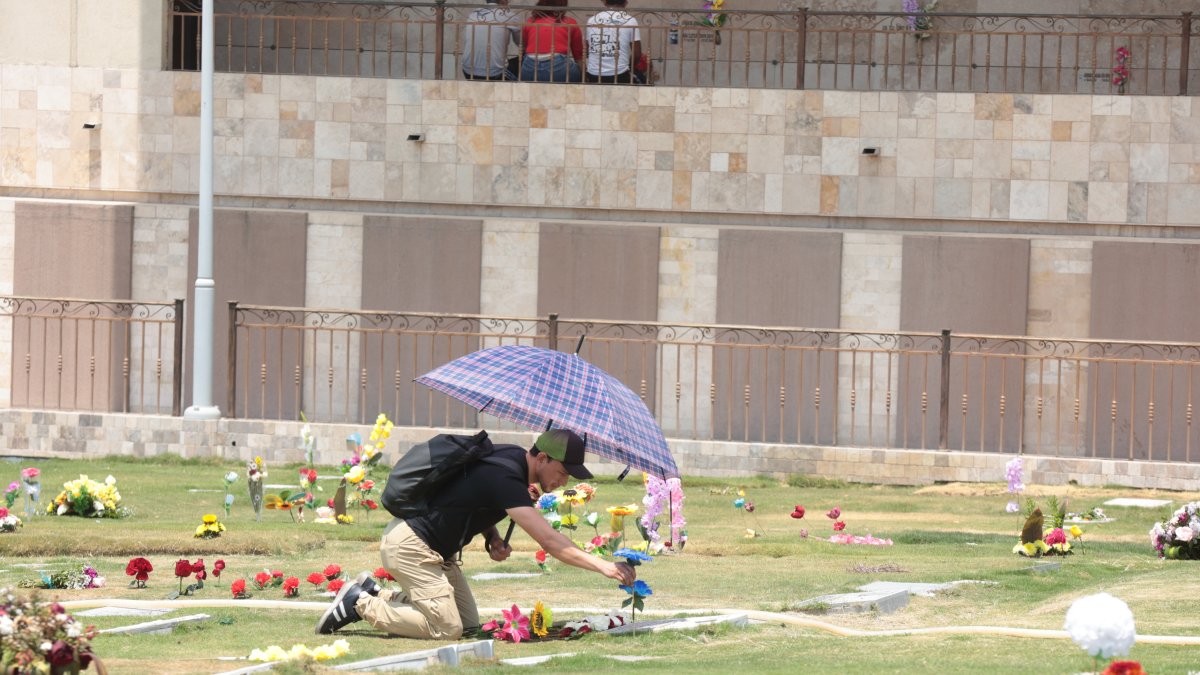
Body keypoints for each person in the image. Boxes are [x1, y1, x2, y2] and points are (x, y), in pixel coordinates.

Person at [315, 429, 636, 639]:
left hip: (434, 553)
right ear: (542, 458)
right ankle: (359, 604)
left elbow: (472, 498)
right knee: (447, 628)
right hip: (412, 547)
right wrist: (606, 567)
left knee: (468, 625)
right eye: (563, 472)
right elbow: (550, 541)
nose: (563, 482)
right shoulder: (506, 477)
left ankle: (377, 593)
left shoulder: (510, 460)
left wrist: (492, 537)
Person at [520, 0, 584, 83]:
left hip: (530, 67)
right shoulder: (569, 22)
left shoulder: (530, 21)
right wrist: (584, 76)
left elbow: (525, 45)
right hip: (559, 67)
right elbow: (578, 55)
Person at [461, 0, 522, 81]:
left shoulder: (473, 14)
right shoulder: (509, 16)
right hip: (495, 73)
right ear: (503, 1)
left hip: (468, 71)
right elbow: (521, 43)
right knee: (526, 63)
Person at [584, 0, 642, 84]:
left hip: (594, 74)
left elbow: (586, 49)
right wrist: (628, 68)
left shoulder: (592, 20)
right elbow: (637, 54)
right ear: (625, 3)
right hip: (619, 74)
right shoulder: (630, 20)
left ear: (605, 2)